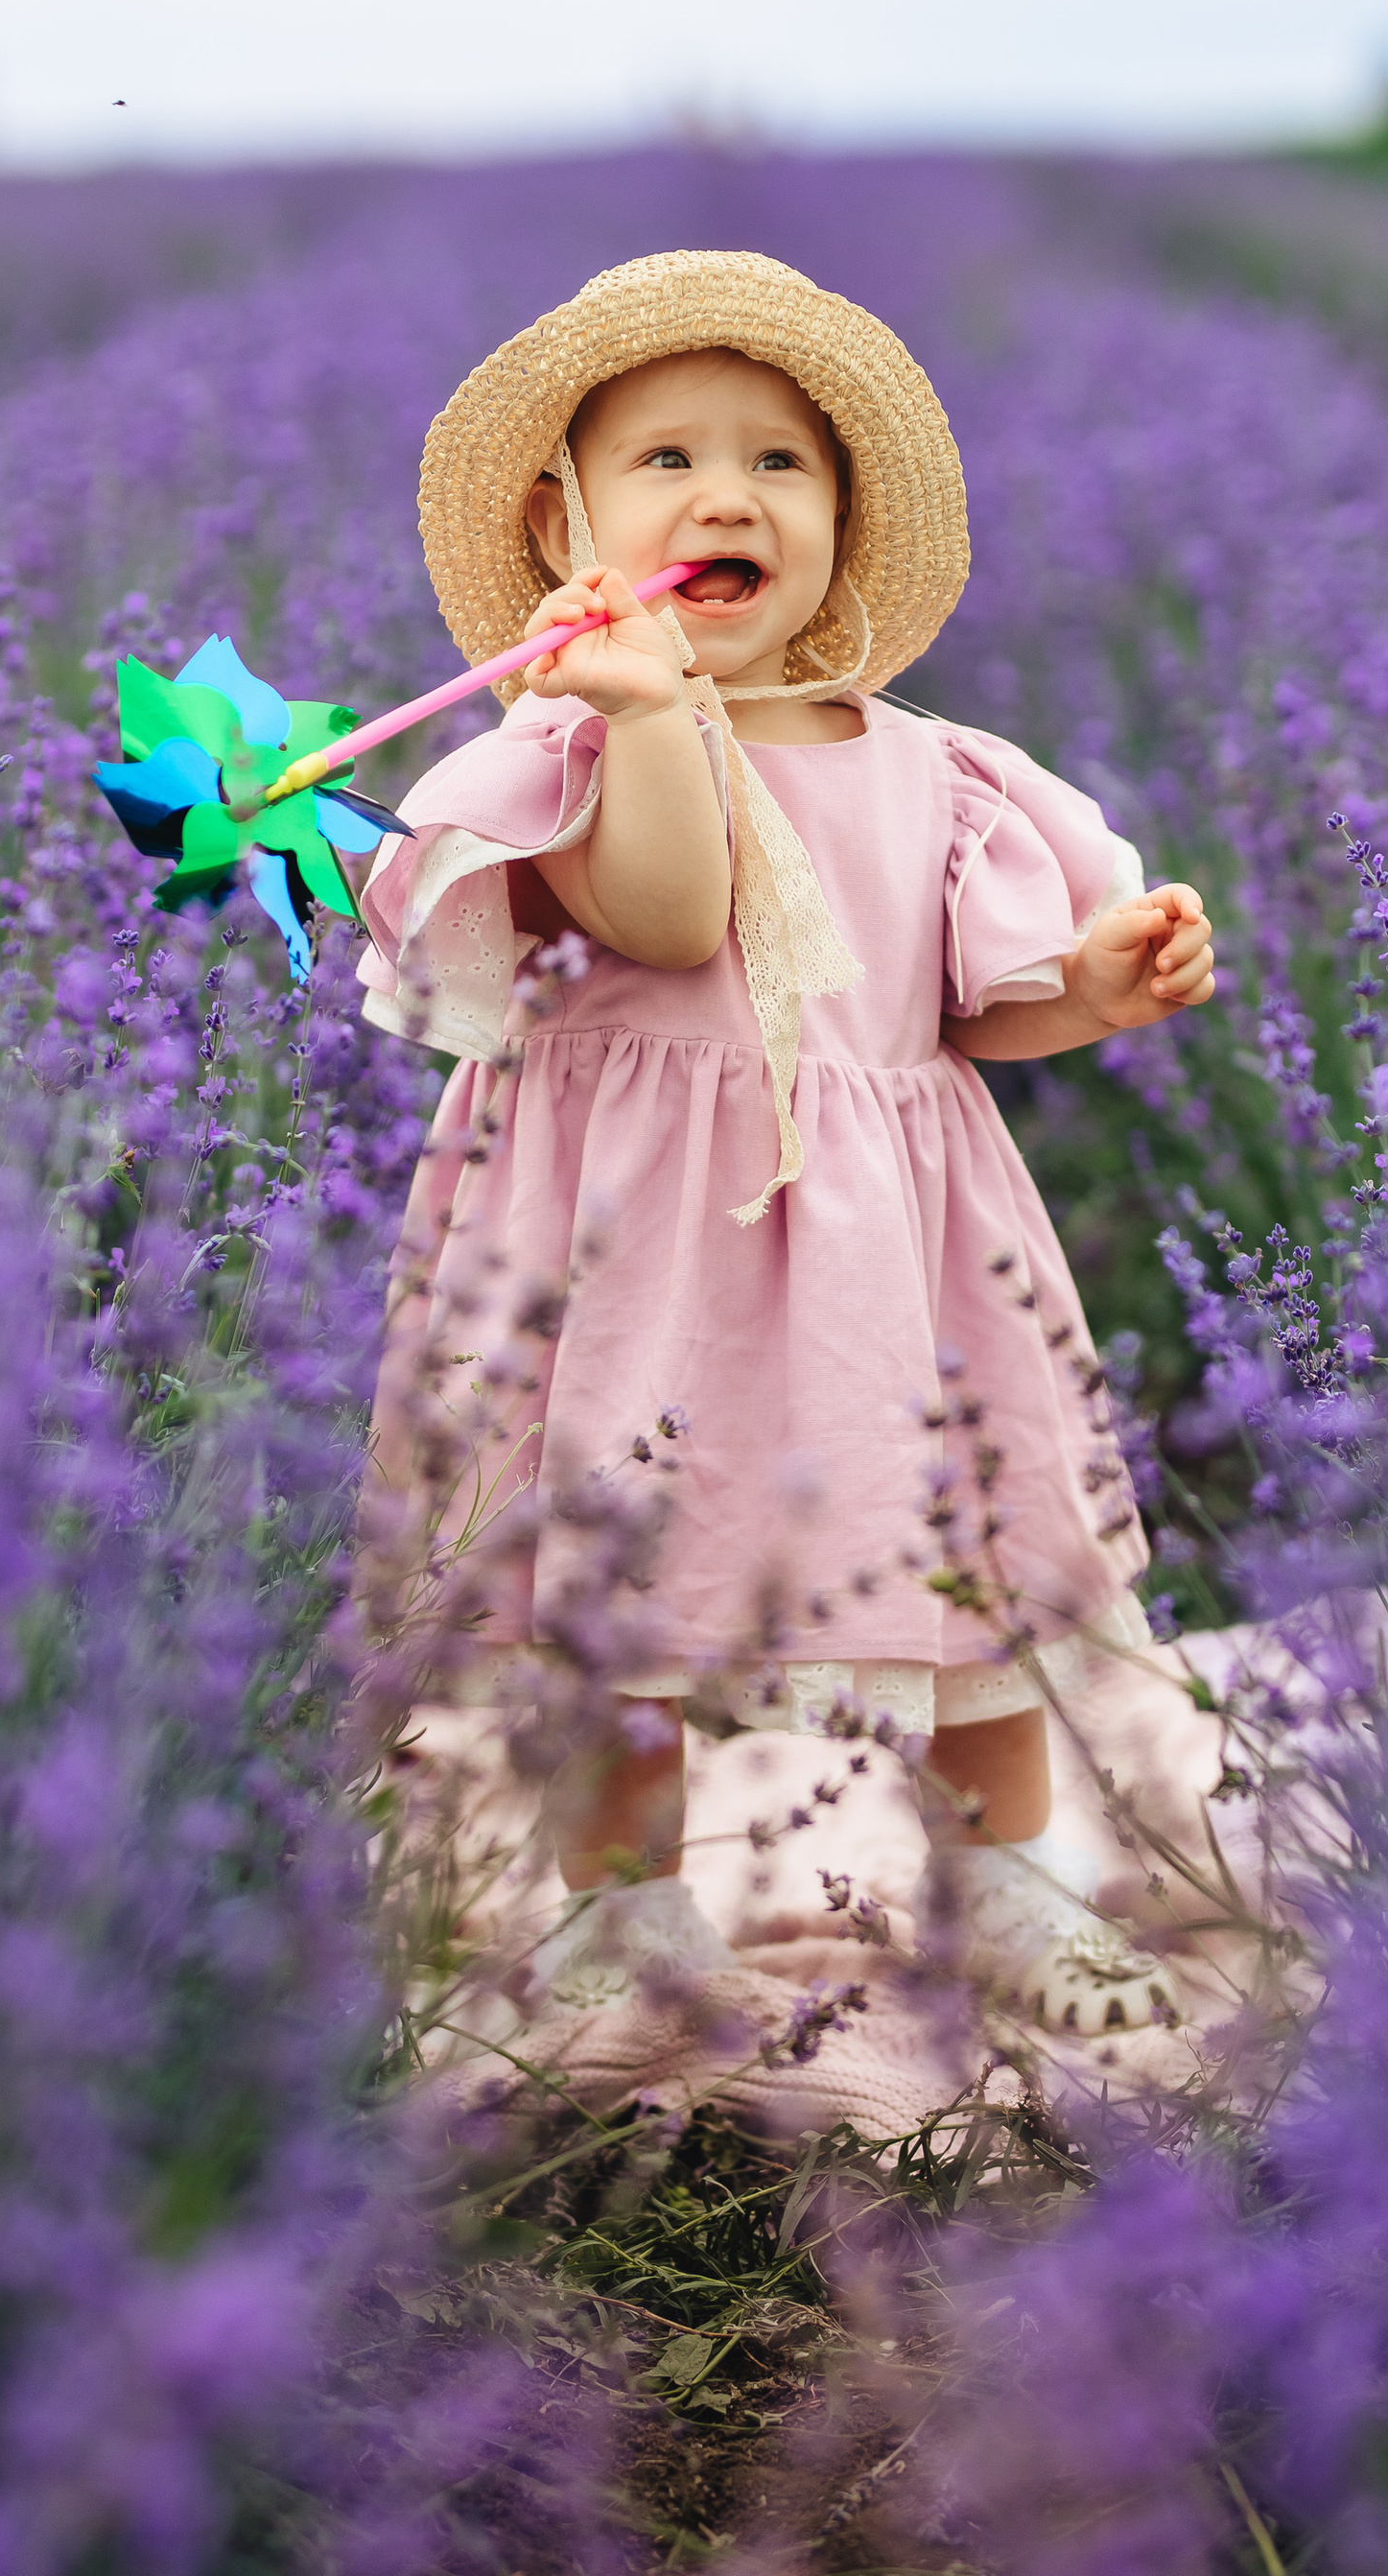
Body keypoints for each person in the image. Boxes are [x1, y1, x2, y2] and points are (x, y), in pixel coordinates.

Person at [357, 250, 1215, 2031]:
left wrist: (1103, 984)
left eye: (781, 463)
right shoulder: (572, 753)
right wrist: (652, 706)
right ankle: (624, 1903)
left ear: (842, 519)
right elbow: (671, 921)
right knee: (620, 1576)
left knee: (964, 1572)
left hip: (888, 1248)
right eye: (665, 459)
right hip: (627, 1248)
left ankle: (1002, 1878)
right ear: (561, 519)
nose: (726, 493)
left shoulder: (936, 767)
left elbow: (978, 1001)